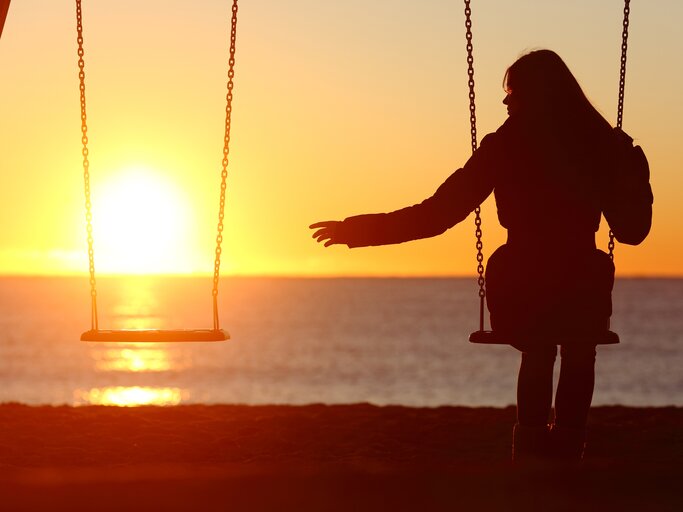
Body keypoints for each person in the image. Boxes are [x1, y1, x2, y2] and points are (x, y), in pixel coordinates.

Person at [310, 50, 653, 464]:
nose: (506, 103)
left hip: (524, 282)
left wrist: (358, 231)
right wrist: (634, 171)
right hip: (581, 282)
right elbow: (633, 231)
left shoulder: (505, 146)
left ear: (535, 96)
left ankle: (530, 456)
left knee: (540, 348)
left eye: (513, 93)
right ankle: (567, 453)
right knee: (579, 349)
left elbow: (436, 214)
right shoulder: (599, 144)